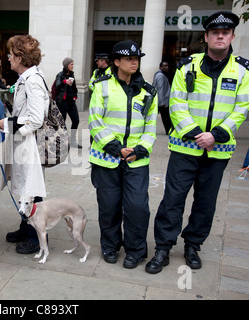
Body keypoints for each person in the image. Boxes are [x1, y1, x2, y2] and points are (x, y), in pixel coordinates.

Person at [145, 11, 249, 274]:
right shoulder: (186, 66)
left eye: (225, 32)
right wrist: (197, 133)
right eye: (215, 32)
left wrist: (215, 135)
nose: (220, 36)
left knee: (206, 202)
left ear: (232, 37)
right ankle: (163, 247)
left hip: (218, 150)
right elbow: (177, 104)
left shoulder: (243, 69)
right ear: (206, 37)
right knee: (173, 199)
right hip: (186, 147)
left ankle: (193, 245)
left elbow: (242, 107)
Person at [89, 40, 158, 269]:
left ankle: (136, 250)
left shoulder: (148, 91)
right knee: (109, 206)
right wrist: (115, 147)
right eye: (129, 58)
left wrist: (140, 149)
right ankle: (110, 246)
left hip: (137, 160)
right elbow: (95, 120)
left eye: (137, 58)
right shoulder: (102, 86)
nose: (134, 62)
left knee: (137, 207)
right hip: (107, 157)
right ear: (116, 62)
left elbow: (150, 126)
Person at [0, 34, 48, 255]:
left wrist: (7, 124)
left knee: (32, 189)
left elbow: (36, 118)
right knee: (24, 187)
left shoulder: (32, 80)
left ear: (19, 56)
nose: (8, 58)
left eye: (10, 54)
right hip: (23, 142)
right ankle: (25, 227)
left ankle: (36, 237)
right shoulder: (27, 78)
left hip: (30, 144)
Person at [55, 58, 82, 148]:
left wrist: (75, 95)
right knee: (62, 123)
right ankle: (63, 142)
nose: (73, 66)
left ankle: (73, 141)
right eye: (71, 64)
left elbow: (74, 87)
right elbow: (57, 85)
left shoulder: (72, 75)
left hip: (71, 102)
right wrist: (64, 81)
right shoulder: (60, 75)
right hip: (62, 102)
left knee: (76, 120)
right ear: (66, 65)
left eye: (73, 64)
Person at [152, 61, 172, 135]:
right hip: (161, 101)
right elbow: (160, 89)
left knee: (153, 116)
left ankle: (168, 130)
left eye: (167, 65)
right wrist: (162, 102)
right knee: (166, 117)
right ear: (161, 67)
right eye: (165, 66)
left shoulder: (160, 75)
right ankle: (169, 130)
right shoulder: (161, 76)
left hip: (159, 100)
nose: (167, 67)